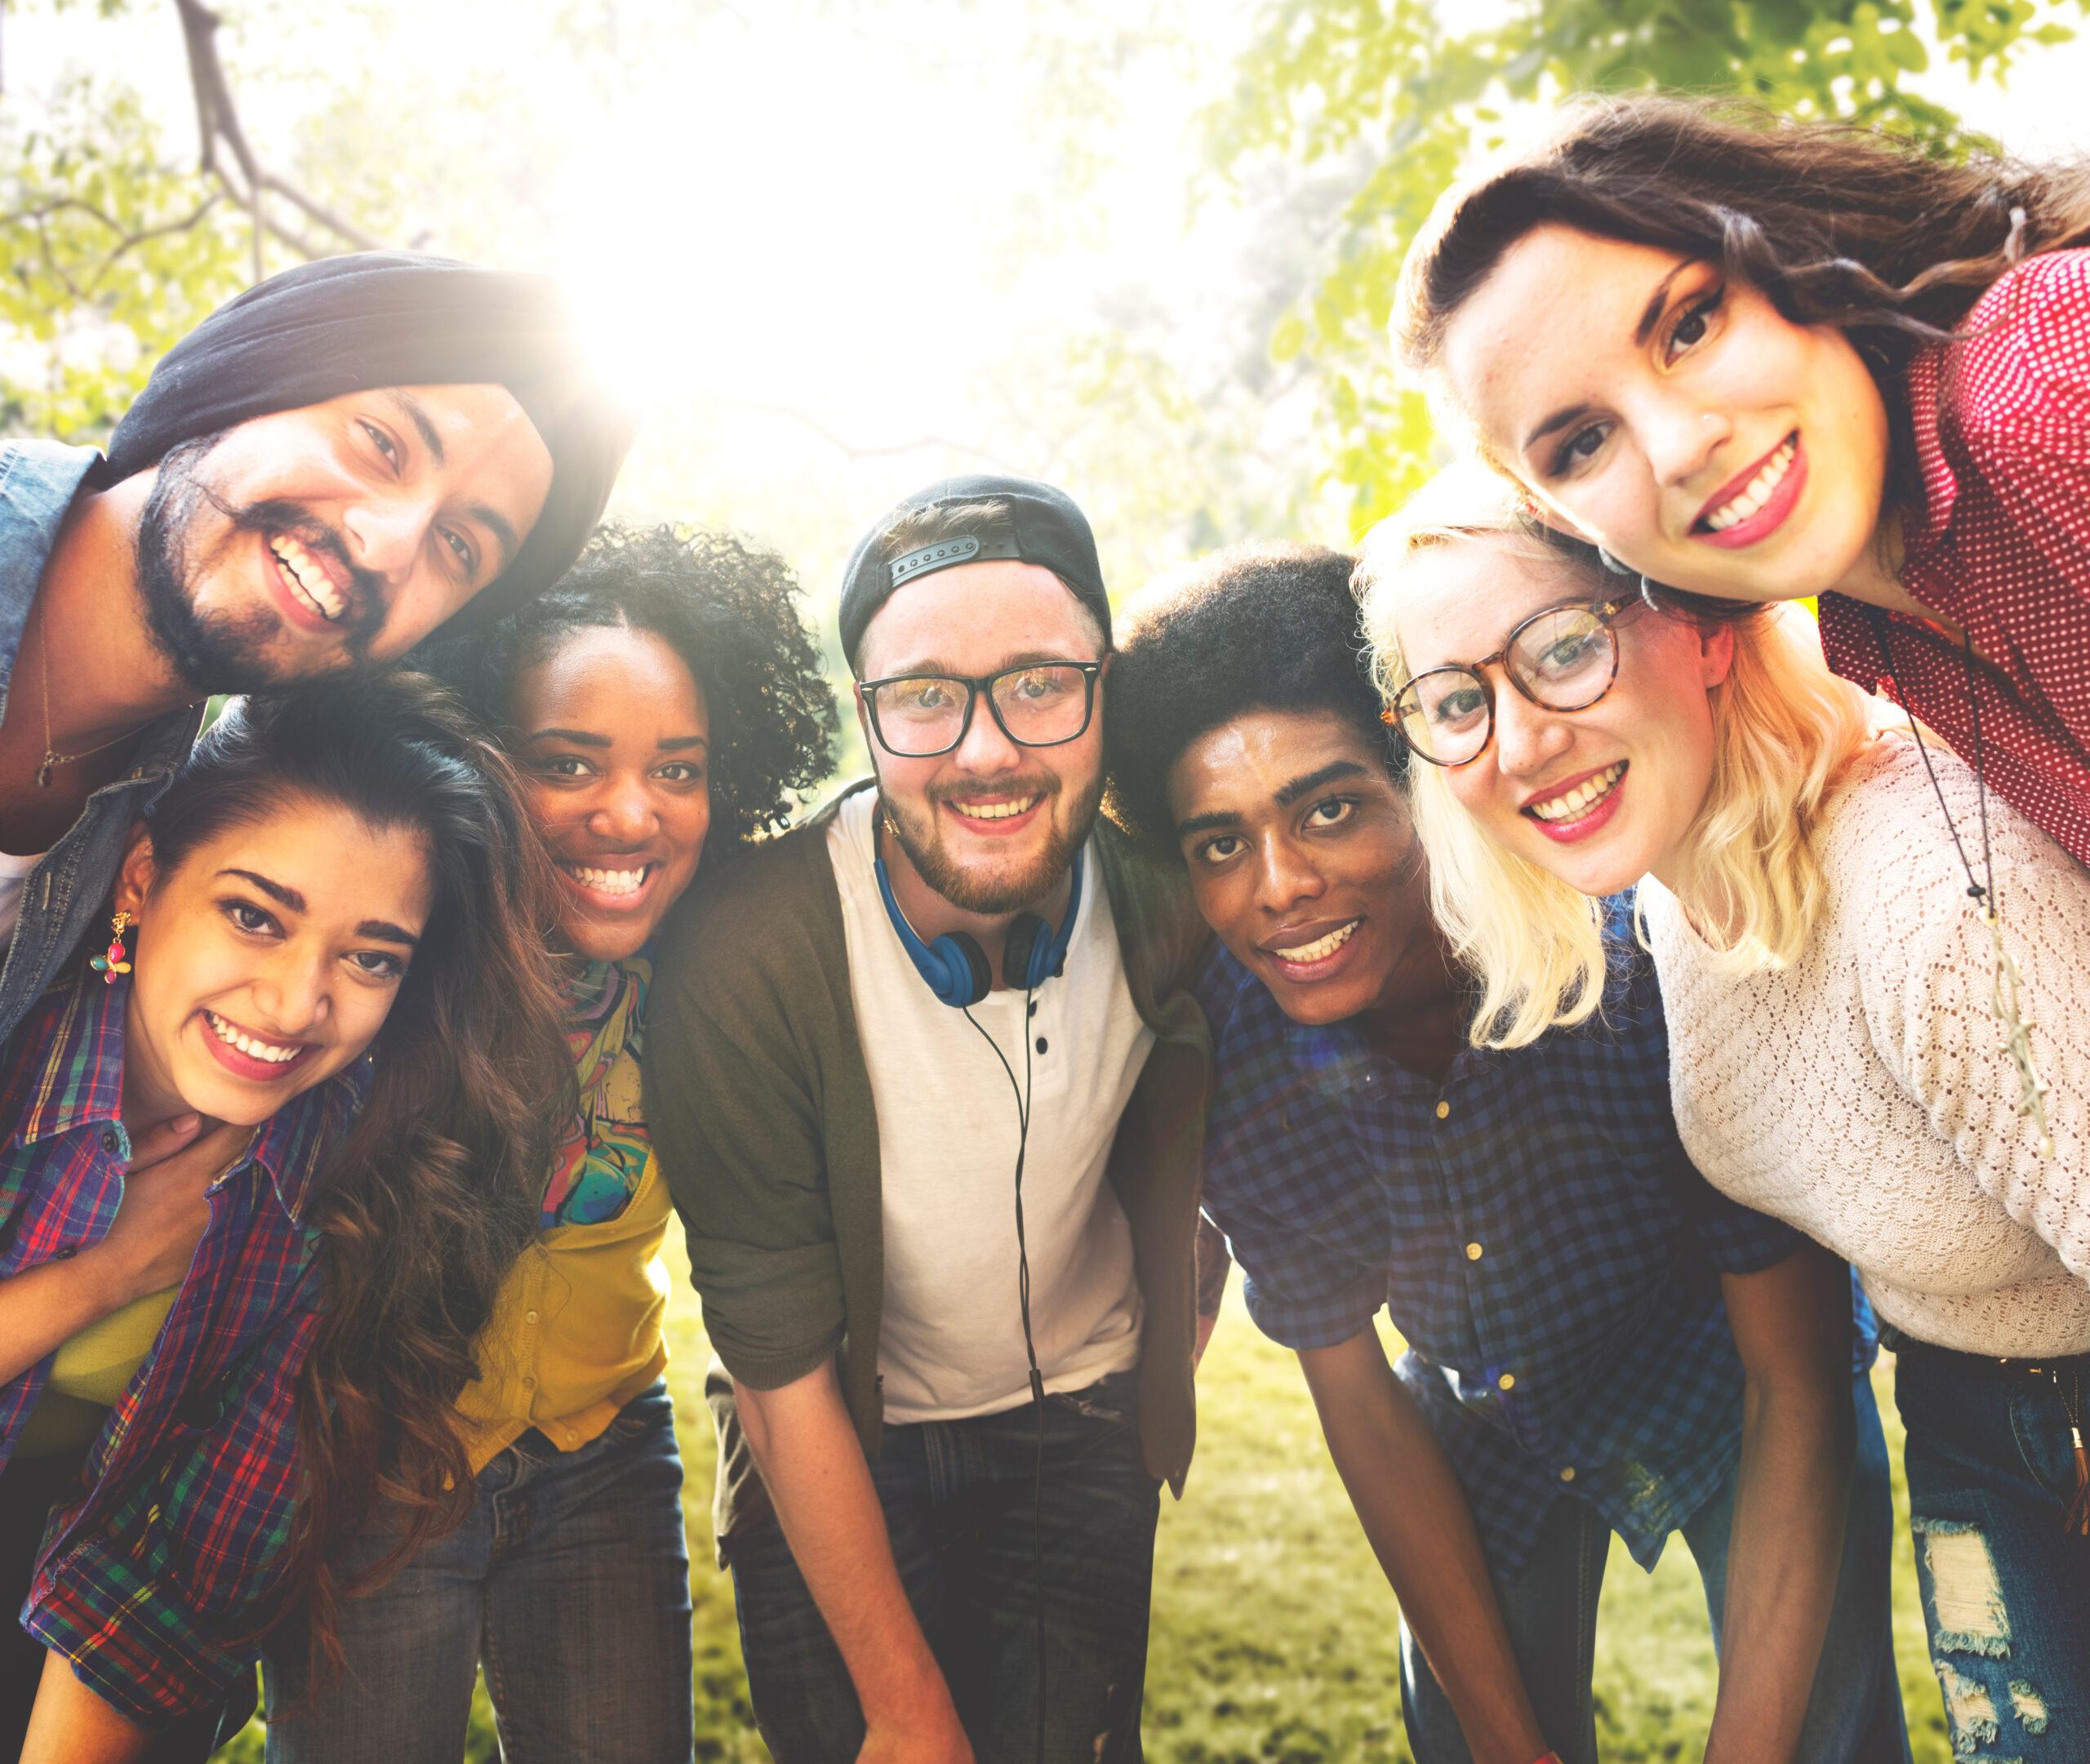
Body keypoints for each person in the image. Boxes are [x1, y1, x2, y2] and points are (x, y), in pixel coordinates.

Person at [1105, 542, 1905, 1764]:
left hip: (1735, 1386)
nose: (1280, 888)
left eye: (1329, 809)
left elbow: (1792, 1379)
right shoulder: (1242, 1053)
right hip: (1484, 1413)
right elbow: (1362, 1405)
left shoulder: (1636, 961)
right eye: (1220, 843)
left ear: (1423, 779)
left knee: (1821, 1739)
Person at [1358, 467, 2090, 1753]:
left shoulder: (1928, 898)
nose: (1519, 742)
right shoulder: (1668, 909)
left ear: (1699, 621)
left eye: (1565, 650)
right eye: (1458, 701)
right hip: (1974, 1430)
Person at [643, 474, 1211, 1764]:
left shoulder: (1175, 893)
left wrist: (1182, 1309)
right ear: (865, 717)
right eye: (923, 698)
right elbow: (781, 1377)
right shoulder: (747, 955)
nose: (987, 748)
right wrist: (907, 1716)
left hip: (1079, 1427)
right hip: (835, 1432)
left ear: (1103, 687)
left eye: (1041, 683)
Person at [263, 523, 837, 1764]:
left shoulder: (710, 968)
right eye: (568, 764)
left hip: (602, 1457)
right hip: (374, 1456)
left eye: (678, 770)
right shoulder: (393, 954)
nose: (631, 814)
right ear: (476, 758)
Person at [0, 674, 573, 1764]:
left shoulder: (364, 1166)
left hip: (103, 1610)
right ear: (140, 879)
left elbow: (180, 1564)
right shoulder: (19, 1036)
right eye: (255, 917)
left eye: (369, 958)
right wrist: (105, 1274)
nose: (298, 1004)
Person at [1391, 95, 2090, 865]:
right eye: (1585, 443)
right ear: (1560, 518)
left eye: (1688, 328)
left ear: (1791, 256)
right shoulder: (1877, 628)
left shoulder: (2041, 379)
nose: (1680, 449)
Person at [0, 248, 633, 1055]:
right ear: (244, 379)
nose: (387, 546)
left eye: (457, 545)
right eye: (382, 443)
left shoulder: (155, 818)